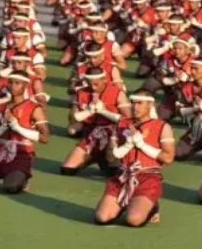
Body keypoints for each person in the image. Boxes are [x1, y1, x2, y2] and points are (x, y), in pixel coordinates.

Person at [96, 91, 174, 227]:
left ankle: (152, 206)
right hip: (123, 175)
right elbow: (110, 158)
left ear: (150, 104)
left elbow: (168, 158)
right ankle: (129, 203)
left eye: (139, 103)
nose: (134, 106)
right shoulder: (121, 124)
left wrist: (142, 145)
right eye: (133, 103)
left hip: (148, 177)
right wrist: (125, 145)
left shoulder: (162, 126)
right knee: (102, 218)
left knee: (133, 220)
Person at [60, 67, 131, 175]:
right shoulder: (81, 93)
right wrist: (89, 110)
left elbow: (128, 118)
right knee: (66, 170)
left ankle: (103, 159)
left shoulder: (118, 93)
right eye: (89, 84)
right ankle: (92, 158)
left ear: (104, 79)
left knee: (114, 173)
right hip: (92, 135)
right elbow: (74, 118)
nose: (92, 87)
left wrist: (103, 111)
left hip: (113, 134)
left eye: (96, 84)